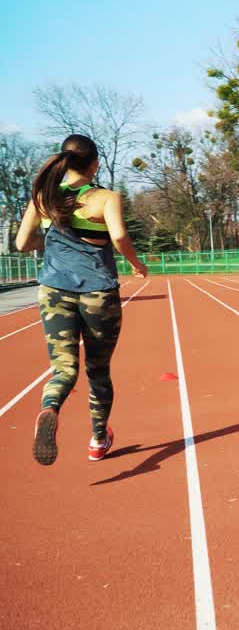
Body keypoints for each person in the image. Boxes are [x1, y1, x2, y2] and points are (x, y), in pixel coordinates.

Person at [15, 134, 148, 465]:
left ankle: (49, 408)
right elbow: (118, 236)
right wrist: (136, 263)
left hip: (53, 291)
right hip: (97, 294)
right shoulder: (106, 198)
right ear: (95, 163)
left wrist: (51, 245)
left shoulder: (44, 197)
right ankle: (98, 440)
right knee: (98, 370)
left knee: (63, 367)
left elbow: (21, 243)